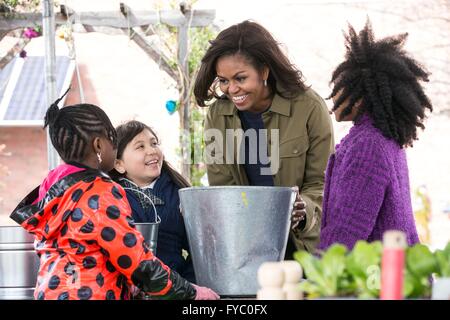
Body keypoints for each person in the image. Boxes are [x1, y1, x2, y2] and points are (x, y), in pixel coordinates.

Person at [9, 96, 219, 300]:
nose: (115, 148)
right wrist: (191, 292)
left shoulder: (51, 188)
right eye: (113, 142)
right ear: (99, 146)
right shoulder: (101, 191)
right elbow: (136, 261)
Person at [193, 20, 335, 255]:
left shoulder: (309, 107)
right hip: (248, 248)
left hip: (305, 247)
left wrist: (303, 208)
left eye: (240, 78)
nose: (231, 89)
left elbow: (321, 183)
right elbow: (223, 188)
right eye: (224, 81)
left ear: (265, 71)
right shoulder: (218, 115)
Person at [318, 20, 432, 251]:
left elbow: (346, 231)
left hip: (380, 280)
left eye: (340, 87)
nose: (333, 96)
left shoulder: (367, 145)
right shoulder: (384, 138)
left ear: (360, 96)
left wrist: (318, 277)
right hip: (401, 275)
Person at [110, 120, 195, 283]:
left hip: (175, 287)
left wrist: (188, 283)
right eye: (140, 146)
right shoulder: (113, 198)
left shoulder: (179, 194)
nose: (151, 150)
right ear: (119, 164)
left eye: (154, 143)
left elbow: (200, 249)